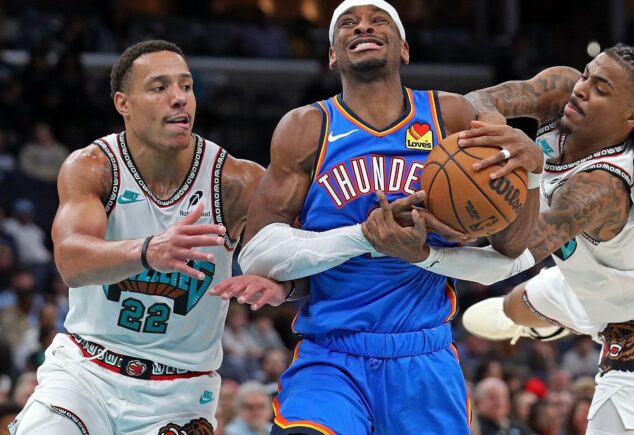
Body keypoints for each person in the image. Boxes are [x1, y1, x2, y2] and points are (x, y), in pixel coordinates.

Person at [211, 1, 546, 433]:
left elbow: (511, 248)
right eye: (348, 24)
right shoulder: (306, 128)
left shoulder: (452, 117)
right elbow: (257, 252)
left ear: (404, 48)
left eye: (378, 21)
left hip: (424, 358)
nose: (362, 27)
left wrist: (531, 173)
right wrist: (366, 236)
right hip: (333, 355)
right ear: (332, 55)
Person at [9, 40, 282, 435]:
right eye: (159, 87)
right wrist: (149, 251)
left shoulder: (236, 180)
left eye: (186, 86)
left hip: (181, 389)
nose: (179, 98)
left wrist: (285, 282)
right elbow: (70, 262)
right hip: (85, 372)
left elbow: (294, 247)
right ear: (123, 103)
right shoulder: (94, 167)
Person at [462, 44, 634, 434]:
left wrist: (427, 252)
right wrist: (487, 132)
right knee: (510, 308)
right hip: (588, 283)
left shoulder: (601, 187)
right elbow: (473, 102)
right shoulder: (563, 91)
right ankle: (557, 323)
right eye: (588, 74)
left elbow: (511, 254)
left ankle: (576, 324)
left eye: (601, 89)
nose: (582, 89)